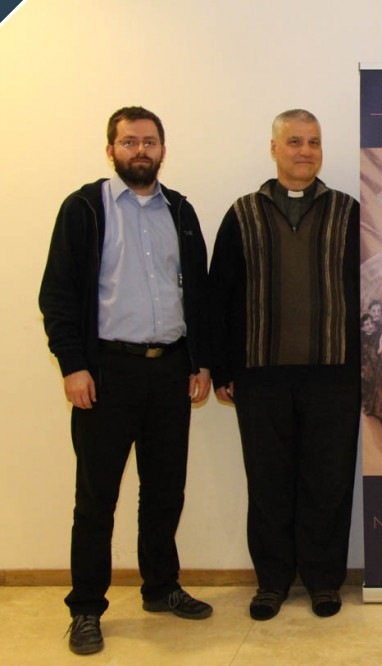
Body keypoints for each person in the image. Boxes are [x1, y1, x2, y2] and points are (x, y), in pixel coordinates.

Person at [39, 106, 213, 656]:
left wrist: (201, 361)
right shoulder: (85, 209)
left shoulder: (180, 211)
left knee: (164, 491)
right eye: (130, 141)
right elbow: (57, 294)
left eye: (149, 142)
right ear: (110, 149)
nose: (141, 150)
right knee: (96, 498)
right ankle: (86, 608)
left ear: (163, 149)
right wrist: (73, 365)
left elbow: (199, 294)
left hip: (170, 372)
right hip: (105, 373)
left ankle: (160, 588)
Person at [209, 109, 360, 621]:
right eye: (294, 141)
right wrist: (223, 368)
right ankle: (272, 581)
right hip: (261, 375)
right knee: (268, 482)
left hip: (335, 373)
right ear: (274, 149)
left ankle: (323, 580)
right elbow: (219, 295)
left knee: (328, 483)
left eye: (314, 142)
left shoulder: (348, 213)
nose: (305, 151)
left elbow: (371, 293)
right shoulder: (243, 214)